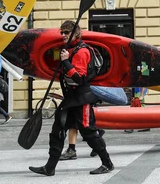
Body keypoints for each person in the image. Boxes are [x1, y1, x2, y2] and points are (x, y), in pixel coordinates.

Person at [29, 20, 114, 176]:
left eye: (66, 32)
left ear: (76, 33)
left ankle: (107, 163)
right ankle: (50, 167)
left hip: (82, 99)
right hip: (70, 100)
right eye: (61, 32)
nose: (63, 35)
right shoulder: (70, 49)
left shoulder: (82, 52)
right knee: (57, 131)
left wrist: (66, 62)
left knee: (88, 133)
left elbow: (80, 78)